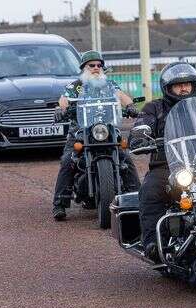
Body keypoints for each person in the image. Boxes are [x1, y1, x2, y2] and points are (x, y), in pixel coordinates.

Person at [52, 50, 141, 220]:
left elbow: (121, 96)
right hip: (80, 131)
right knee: (67, 161)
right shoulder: (75, 86)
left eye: (99, 65)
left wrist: (129, 105)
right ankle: (59, 204)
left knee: (126, 160)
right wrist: (60, 109)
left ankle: (137, 199)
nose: (96, 68)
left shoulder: (110, 84)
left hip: (107, 129)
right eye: (91, 65)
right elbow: (64, 99)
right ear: (84, 68)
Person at [130, 62, 196, 259]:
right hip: (168, 165)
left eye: (188, 84)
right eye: (179, 85)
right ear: (168, 88)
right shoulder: (154, 107)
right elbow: (141, 125)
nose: (184, 88)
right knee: (151, 190)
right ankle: (152, 242)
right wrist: (140, 137)